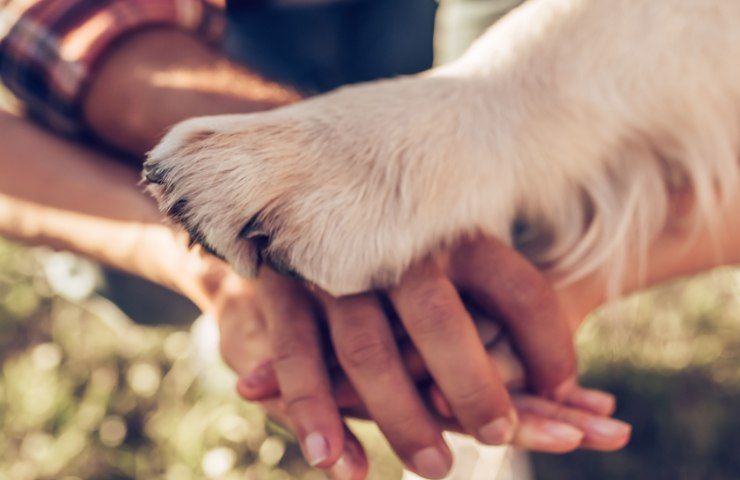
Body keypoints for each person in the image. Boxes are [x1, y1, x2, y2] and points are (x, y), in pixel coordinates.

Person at [0, 0, 690, 477]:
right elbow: (46, 25)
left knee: (522, 179)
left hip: (450, 29)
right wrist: (250, 226)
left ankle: (453, 347)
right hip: (216, 38)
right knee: (165, 237)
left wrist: (554, 282)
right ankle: (363, 329)